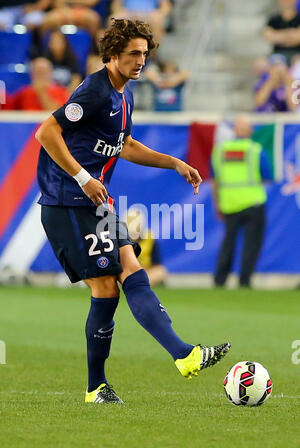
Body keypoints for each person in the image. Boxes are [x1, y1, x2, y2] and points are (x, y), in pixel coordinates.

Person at [35, 18, 230, 404]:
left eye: (144, 53)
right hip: (67, 202)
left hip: (95, 202)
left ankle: (183, 355)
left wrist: (173, 161)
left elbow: (124, 145)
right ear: (112, 55)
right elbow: (46, 132)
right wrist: (81, 178)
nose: (141, 60)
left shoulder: (125, 94)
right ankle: (97, 387)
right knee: (108, 285)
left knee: (132, 270)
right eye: (133, 54)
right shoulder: (94, 91)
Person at [211, 115, 272, 289]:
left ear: (234, 130)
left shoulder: (220, 151)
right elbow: (267, 176)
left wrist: (217, 203)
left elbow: (214, 180)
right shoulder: (255, 150)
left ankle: (219, 280)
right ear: (250, 130)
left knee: (228, 243)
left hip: (230, 204)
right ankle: (244, 281)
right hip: (254, 203)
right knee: (251, 244)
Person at [125, 208, 167, 286]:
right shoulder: (119, 241)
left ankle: (138, 283)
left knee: (161, 271)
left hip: (146, 273)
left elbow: (156, 265)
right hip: (126, 274)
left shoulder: (149, 239)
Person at [44, 29, 82, 94]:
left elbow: (76, 79)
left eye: (58, 41)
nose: (56, 44)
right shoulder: (45, 60)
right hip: (51, 94)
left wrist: (66, 95)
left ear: (64, 43)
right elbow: (43, 81)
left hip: (67, 95)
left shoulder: (72, 59)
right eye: (53, 41)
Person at [263, 0, 300, 65]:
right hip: (277, 54)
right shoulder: (273, 19)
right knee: (276, 66)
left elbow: (298, 38)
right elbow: (269, 37)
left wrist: (278, 35)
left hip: (297, 54)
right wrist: (291, 33)